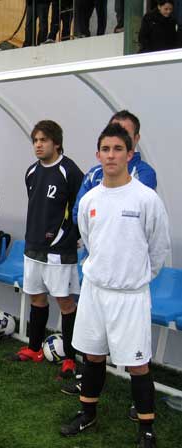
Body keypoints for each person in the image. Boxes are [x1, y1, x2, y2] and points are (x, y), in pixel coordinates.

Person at [60, 123, 170, 448]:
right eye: (105, 149)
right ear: (98, 155)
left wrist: (136, 278)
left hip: (130, 296)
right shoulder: (91, 199)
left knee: (138, 364)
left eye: (118, 149)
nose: (111, 155)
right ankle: (87, 415)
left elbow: (158, 248)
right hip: (95, 292)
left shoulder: (146, 199)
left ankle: (146, 431)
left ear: (130, 154)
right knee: (92, 356)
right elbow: (90, 239)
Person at [10, 120, 84, 379]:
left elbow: (79, 209)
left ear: (56, 143)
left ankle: (71, 359)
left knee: (65, 302)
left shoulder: (70, 171)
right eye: (35, 140)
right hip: (33, 248)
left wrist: (72, 236)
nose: (38, 145)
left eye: (43, 140)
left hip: (59, 251)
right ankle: (34, 348)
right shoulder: (32, 172)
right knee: (37, 297)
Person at [72, 110, 157, 225]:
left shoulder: (144, 173)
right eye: (114, 131)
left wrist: (98, 214)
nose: (118, 137)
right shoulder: (94, 174)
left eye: (124, 133)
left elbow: (130, 214)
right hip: (94, 242)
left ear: (136, 138)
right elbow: (78, 216)